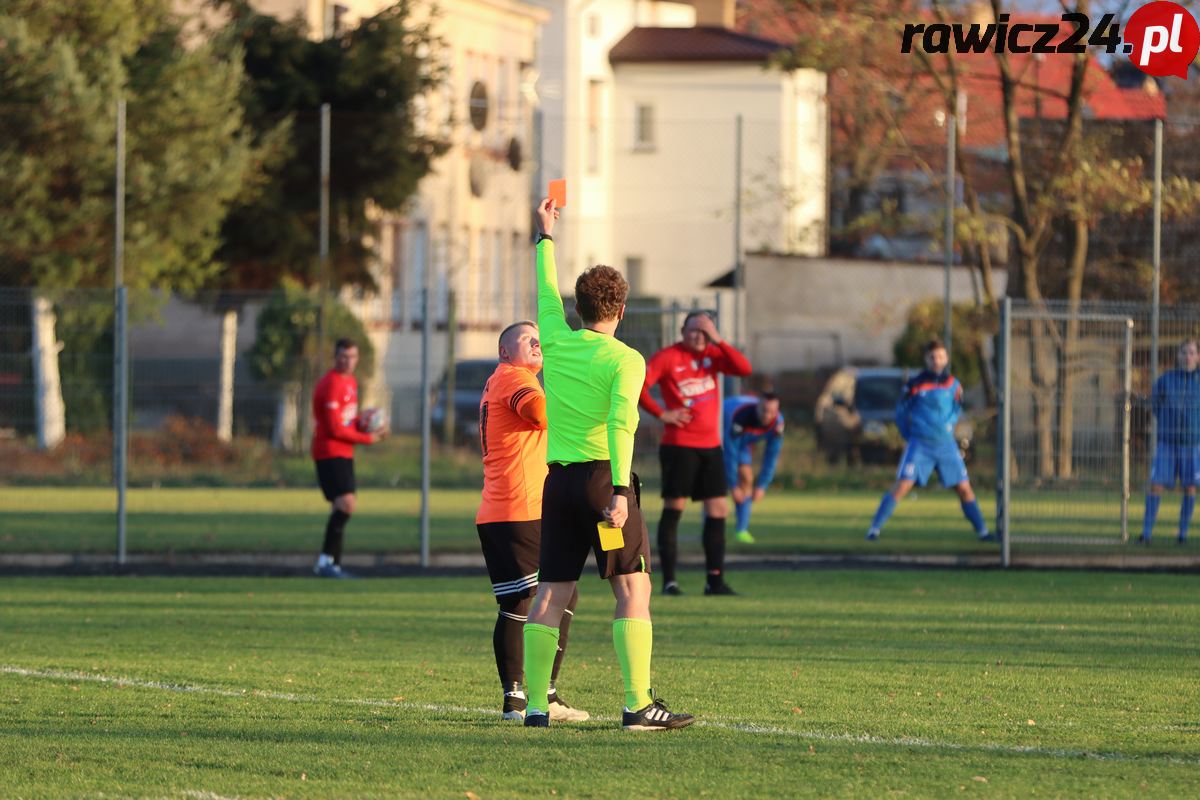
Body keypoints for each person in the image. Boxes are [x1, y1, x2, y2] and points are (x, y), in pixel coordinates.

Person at [522, 197, 694, 731]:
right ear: (622, 310)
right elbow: (624, 426)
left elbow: (543, 292)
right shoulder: (626, 359)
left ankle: (533, 707)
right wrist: (621, 491)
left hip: (558, 485)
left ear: (577, 310)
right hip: (602, 484)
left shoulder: (554, 339)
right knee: (632, 587)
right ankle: (637, 703)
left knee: (551, 590)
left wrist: (544, 236)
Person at [475, 320, 588, 722]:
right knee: (522, 603)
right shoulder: (512, 377)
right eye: (528, 339)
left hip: (516, 508)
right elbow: (541, 413)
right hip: (516, 509)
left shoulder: (505, 378)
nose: (538, 342)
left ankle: (545, 695)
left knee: (561, 594)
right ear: (506, 352)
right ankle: (518, 699)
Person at [639, 311, 752, 596]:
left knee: (718, 510)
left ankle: (714, 581)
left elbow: (744, 368)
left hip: (711, 448)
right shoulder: (668, 357)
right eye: (693, 330)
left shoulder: (714, 354)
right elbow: (639, 387)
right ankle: (669, 582)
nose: (698, 336)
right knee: (674, 508)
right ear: (682, 330)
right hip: (679, 446)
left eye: (704, 332)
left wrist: (719, 339)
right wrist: (662, 413)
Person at [866, 339, 991, 542]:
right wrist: (910, 435)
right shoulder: (914, 385)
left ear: (946, 358)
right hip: (920, 445)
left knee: (964, 488)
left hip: (946, 445)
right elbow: (901, 413)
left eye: (941, 356)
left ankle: (983, 533)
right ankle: (874, 530)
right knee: (902, 486)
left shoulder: (953, 384)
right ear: (926, 359)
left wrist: (949, 426)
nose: (937, 360)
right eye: (933, 357)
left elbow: (956, 408)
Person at [311, 338, 385, 578]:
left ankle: (331, 564)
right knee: (346, 504)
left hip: (343, 451)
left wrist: (366, 424)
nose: (347, 361)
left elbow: (347, 421)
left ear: (357, 358)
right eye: (343, 356)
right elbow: (334, 429)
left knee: (340, 506)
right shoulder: (331, 384)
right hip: (329, 450)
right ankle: (326, 562)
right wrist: (368, 439)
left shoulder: (350, 382)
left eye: (352, 356)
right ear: (335, 357)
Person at [1141, 339, 1200, 545]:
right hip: (1167, 443)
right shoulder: (1166, 379)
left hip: (1192, 444)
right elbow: (1155, 404)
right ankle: (1146, 533)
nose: (1187, 356)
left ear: (1198, 357)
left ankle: (1182, 535)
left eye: (1192, 353)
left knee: (1190, 487)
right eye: (1184, 352)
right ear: (1178, 355)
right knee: (1156, 485)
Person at [723, 392, 785, 544]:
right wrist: (732, 485)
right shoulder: (740, 417)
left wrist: (763, 484)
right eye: (764, 410)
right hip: (721, 429)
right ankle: (711, 529)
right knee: (715, 486)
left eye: (772, 411)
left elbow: (772, 455)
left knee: (747, 479)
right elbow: (730, 453)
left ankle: (741, 531)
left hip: (742, 442)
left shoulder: (778, 423)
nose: (768, 415)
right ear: (757, 407)